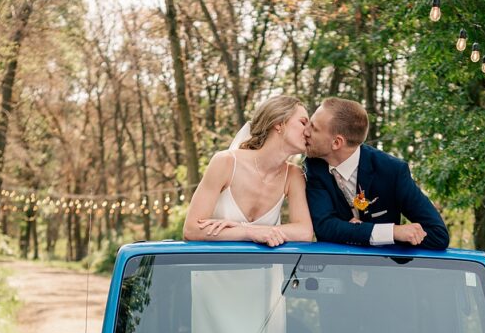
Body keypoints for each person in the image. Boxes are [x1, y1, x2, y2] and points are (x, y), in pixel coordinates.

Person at [304, 97, 449, 249]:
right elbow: (324, 227)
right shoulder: (315, 167)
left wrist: (378, 235)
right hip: (337, 268)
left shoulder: (392, 171)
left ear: (337, 143)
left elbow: (438, 236)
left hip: (383, 267)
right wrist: (390, 232)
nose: (305, 131)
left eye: (314, 128)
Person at [182, 95, 313, 245]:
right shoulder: (225, 163)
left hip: (266, 268)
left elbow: (304, 232)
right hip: (217, 266)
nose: (308, 132)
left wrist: (242, 228)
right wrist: (249, 232)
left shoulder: (293, 175)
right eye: (303, 122)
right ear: (279, 124)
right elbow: (191, 229)